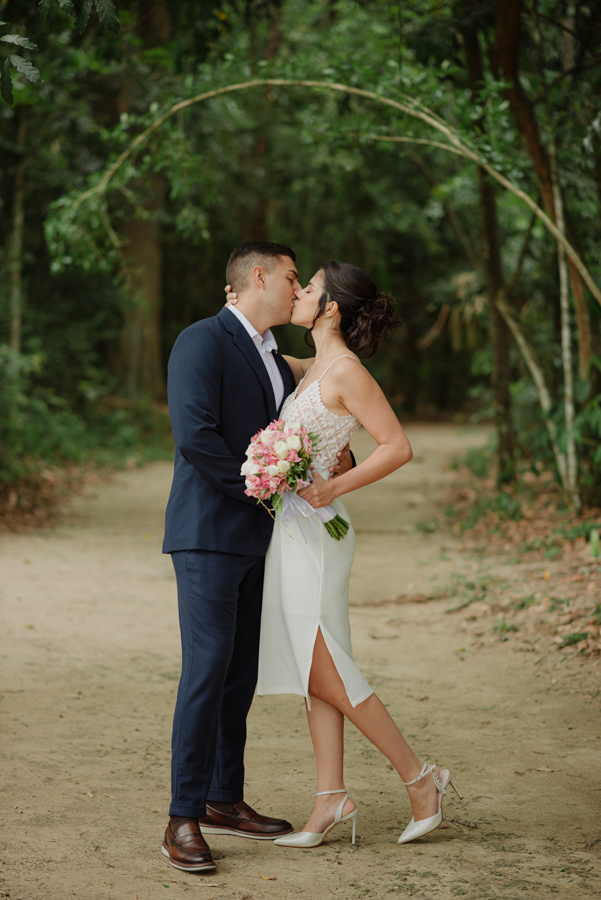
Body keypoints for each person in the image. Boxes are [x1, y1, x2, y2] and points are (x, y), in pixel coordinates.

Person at [229, 261, 462, 848]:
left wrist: (334, 485)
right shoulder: (314, 367)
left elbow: (398, 445)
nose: (299, 293)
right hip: (293, 528)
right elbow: (260, 358)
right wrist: (236, 307)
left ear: (331, 307)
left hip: (321, 529)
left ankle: (421, 777)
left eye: (307, 288)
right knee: (318, 669)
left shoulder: (348, 372)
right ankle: (330, 797)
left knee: (324, 667)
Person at [161, 242, 353, 873]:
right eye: (293, 277)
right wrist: (261, 486)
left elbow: (301, 428)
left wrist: (329, 462)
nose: (298, 288)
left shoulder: (277, 355)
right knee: (208, 667)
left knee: (239, 671)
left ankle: (223, 798)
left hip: (258, 536)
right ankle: (182, 817)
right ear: (260, 277)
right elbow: (195, 435)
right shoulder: (202, 339)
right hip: (208, 532)